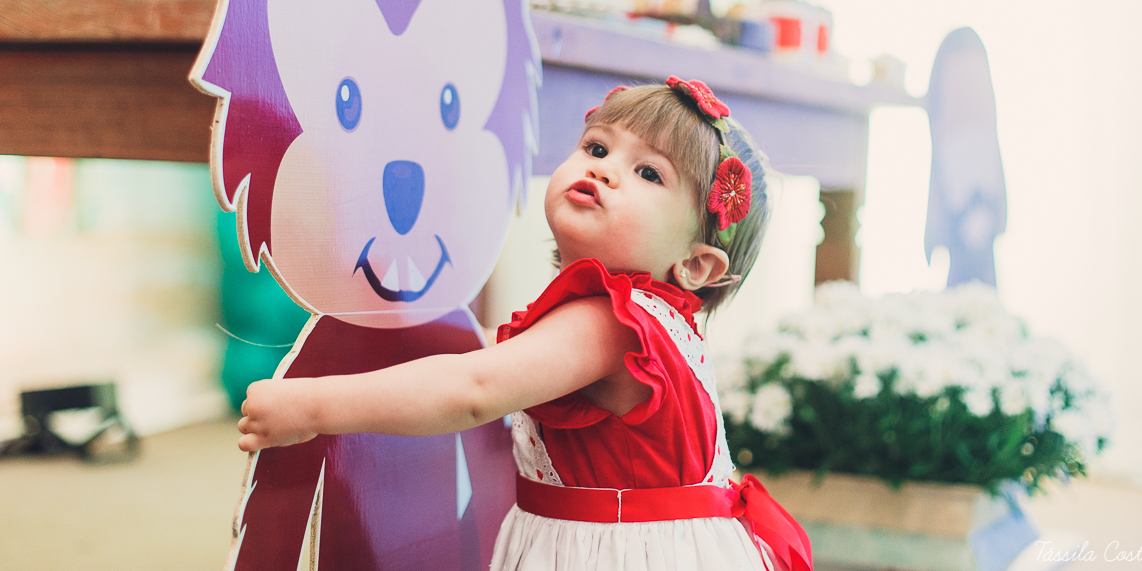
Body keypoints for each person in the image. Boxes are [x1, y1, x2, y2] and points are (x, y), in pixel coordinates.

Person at [236, 77, 814, 571]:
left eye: (648, 173)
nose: (605, 170)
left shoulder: (614, 324)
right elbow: (498, 359)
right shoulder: (640, 321)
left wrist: (312, 408)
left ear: (695, 266)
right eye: (596, 147)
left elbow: (475, 389)